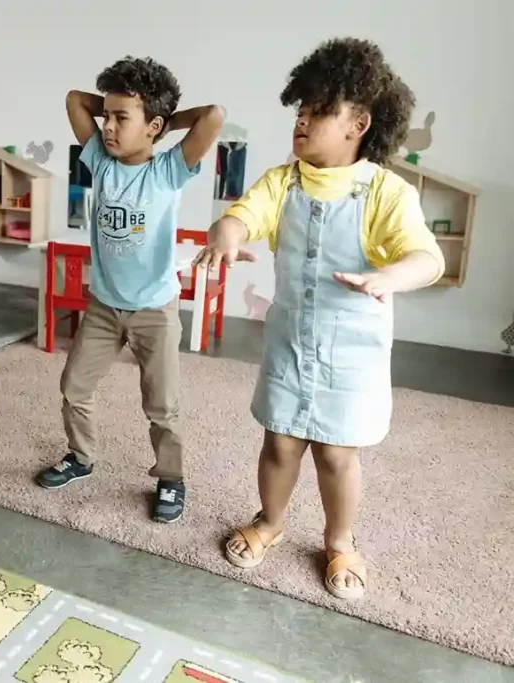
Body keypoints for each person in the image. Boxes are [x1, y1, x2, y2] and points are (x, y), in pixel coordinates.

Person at [196, 38, 445, 600]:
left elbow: (428, 258)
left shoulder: (387, 193)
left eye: (318, 109)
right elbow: (239, 218)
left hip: (352, 352)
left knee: (336, 452)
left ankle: (340, 541)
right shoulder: (281, 183)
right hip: (289, 343)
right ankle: (270, 522)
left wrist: (389, 277)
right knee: (280, 442)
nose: (301, 118)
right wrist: (227, 238)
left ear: (359, 122)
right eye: (299, 108)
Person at [36, 56, 224, 524]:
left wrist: (160, 120)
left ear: (154, 126)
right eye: (108, 117)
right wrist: (124, 109)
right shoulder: (100, 159)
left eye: (122, 119)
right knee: (74, 385)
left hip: (154, 312)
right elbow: (74, 100)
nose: (109, 127)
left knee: (162, 405)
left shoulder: (168, 171)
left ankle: (171, 479)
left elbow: (213, 116)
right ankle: (80, 458)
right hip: (103, 306)